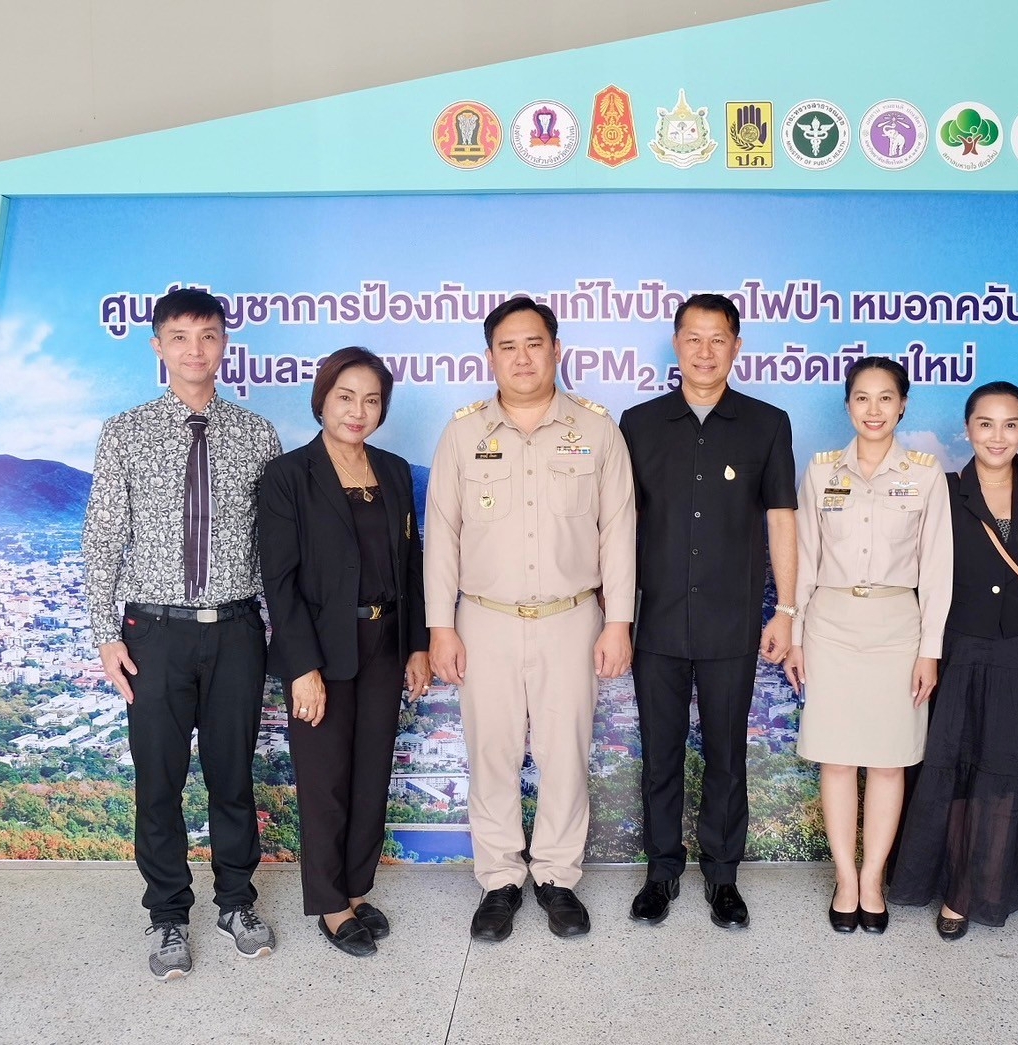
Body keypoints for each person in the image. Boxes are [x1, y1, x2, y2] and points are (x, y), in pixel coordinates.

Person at [82, 287, 283, 981]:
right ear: (158, 346)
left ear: (225, 343)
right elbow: (103, 538)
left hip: (235, 630)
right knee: (158, 781)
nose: (195, 349)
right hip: (155, 633)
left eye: (208, 335)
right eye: (180, 336)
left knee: (233, 778)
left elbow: (272, 544)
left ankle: (236, 903)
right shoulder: (125, 432)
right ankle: (167, 913)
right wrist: (106, 633)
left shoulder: (257, 434)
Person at [425, 296, 636, 941]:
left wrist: (618, 621)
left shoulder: (596, 429)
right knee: (490, 751)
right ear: (490, 357)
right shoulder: (463, 433)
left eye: (534, 344)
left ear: (556, 349)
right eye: (508, 347)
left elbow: (618, 531)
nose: (522, 358)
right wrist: (440, 625)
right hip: (483, 618)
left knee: (564, 752)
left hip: (571, 617)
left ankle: (556, 876)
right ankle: (499, 880)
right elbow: (442, 533)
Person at [618, 293, 797, 929]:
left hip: (732, 621)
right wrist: (617, 613)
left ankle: (723, 876)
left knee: (727, 754)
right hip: (657, 621)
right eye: (693, 337)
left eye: (717, 338)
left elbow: (782, 519)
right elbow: (619, 524)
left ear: (736, 346)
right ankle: (661, 871)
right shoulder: (638, 424)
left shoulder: (767, 424)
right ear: (676, 344)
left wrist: (787, 609)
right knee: (659, 753)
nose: (704, 350)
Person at [890, 381, 1018, 940]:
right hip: (961, 650)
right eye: (985, 424)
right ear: (967, 428)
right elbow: (922, 572)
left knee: (1005, 774)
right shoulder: (945, 490)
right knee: (953, 771)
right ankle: (955, 884)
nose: (997, 436)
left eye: (1010, 424)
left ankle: (982, 887)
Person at [258, 347, 431, 957]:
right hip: (322, 650)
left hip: (385, 642)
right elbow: (279, 583)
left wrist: (418, 645)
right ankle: (331, 905)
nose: (358, 411)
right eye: (345, 397)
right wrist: (302, 667)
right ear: (322, 400)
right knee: (325, 780)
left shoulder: (394, 470)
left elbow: (410, 565)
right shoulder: (287, 476)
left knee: (370, 774)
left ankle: (357, 890)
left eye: (372, 400)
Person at [783, 357, 951, 934]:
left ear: (903, 405)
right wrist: (796, 635)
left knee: (887, 759)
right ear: (847, 405)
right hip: (829, 623)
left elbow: (938, 570)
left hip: (897, 626)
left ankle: (873, 878)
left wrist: (929, 649)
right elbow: (804, 559)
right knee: (836, 757)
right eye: (861, 397)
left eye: (885, 398)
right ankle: (845, 878)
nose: (873, 409)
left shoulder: (925, 474)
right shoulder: (821, 471)